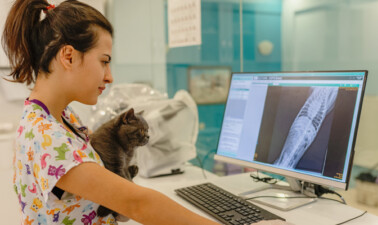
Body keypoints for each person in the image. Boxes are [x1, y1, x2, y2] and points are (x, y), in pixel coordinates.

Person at [2, 1, 221, 224]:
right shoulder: (46, 136)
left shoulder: (63, 117)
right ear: (68, 56)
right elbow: (137, 204)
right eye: (104, 62)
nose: (109, 77)